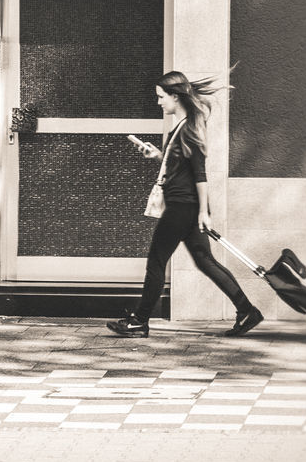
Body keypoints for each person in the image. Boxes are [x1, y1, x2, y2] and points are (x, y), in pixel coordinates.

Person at [107, 69, 264, 339]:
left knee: (156, 261)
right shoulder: (180, 127)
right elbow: (181, 169)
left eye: (161, 97)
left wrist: (204, 212)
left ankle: (139, 321)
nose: (158, 102)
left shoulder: (190, 128)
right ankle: (247, 310)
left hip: (184, 206)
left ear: (176, 97)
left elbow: (200, 174)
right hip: (185, 204)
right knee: (204, 261)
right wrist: (158, 155)